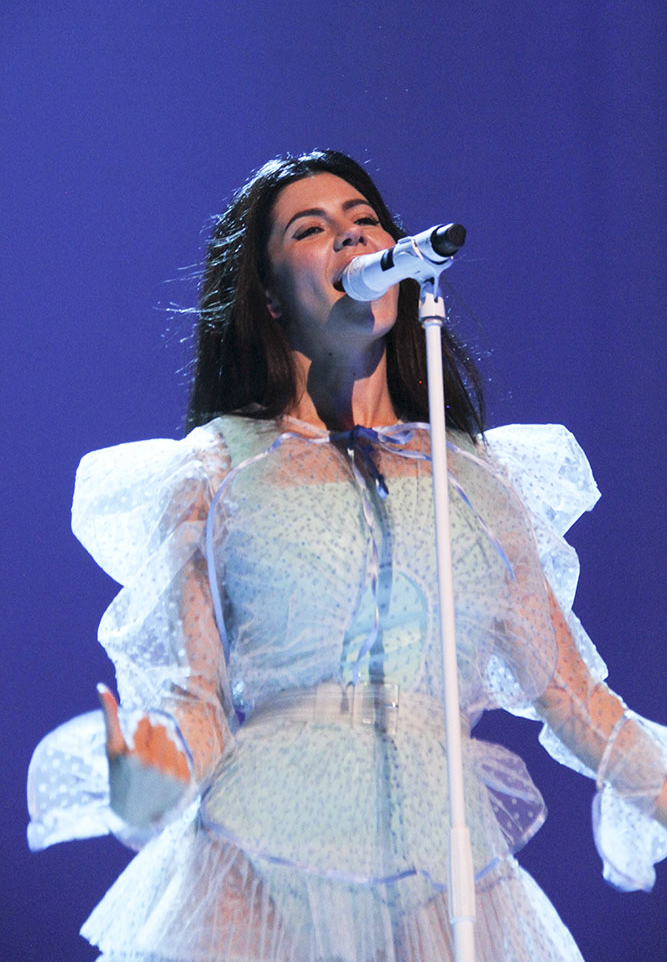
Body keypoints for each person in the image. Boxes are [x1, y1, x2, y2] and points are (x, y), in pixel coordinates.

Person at [27, 150, 667, 962]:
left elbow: (572, 695)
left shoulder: (473, 477)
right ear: (268, 295)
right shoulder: (216, 471)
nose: (352, 236)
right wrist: (156, 782)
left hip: (441, 871)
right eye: (312, 228)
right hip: (260, 861)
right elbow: (199, 706)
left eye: (365, 221)